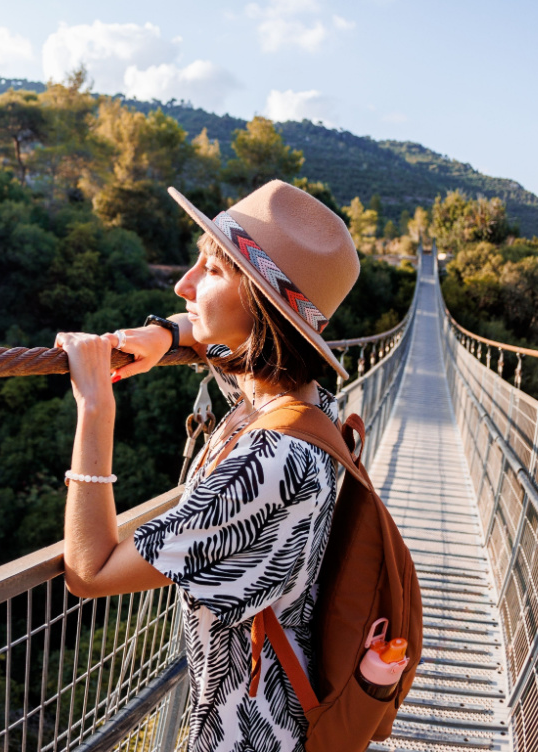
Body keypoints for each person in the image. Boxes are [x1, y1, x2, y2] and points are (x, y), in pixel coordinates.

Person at [55, 179, 360, 752]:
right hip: (266, 710)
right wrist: (164, 333)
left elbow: (88, 572)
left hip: (244, 733)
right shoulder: (298, 400)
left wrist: (94, 406)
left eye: (212, 271)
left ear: (263, 309)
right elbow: (217, 340)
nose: (183, 283)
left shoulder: (270, 460)